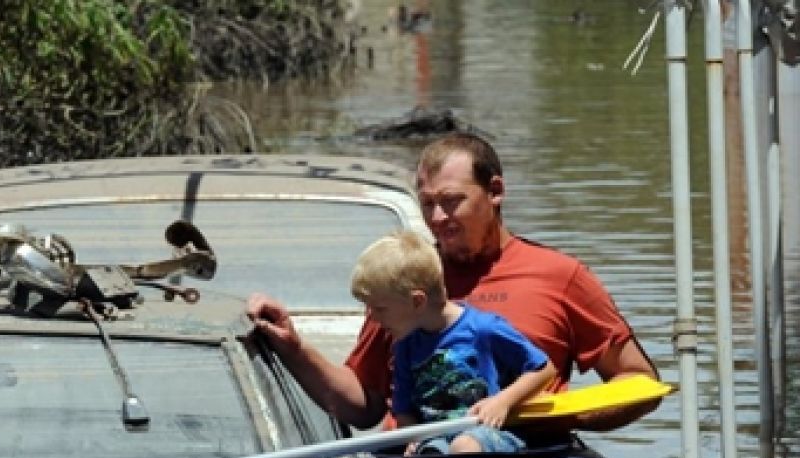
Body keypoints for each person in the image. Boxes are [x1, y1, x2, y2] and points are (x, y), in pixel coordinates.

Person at [247, 132, 659, 442]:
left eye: (451, 201)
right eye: (427, 203)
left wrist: (561, 415)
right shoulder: (404, 277)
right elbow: (362, 406)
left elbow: (638, 382)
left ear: (495, 192)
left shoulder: (560, 276)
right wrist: (293, 348)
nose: (438, 218)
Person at [350, 228, 556, 454]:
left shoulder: (484, 329)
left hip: (489, 432)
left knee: (464, 446)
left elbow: (544, 369)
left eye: (380, 309)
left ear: (417, 302)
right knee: (428, 454)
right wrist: (411, 437)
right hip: (436, 436)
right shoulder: (405, 346)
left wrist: (502, 401)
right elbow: (404, 410)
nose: (373, 318)